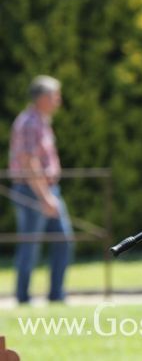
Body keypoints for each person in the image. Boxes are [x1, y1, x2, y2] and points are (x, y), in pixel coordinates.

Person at [9, 75, 73, 304]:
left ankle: (57, 295)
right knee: (30, 245)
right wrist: (45, 197)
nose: (58, 100)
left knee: (63, 240)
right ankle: (23, 298)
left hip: (48, 190)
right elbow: (29, 163)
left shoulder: (42, 121)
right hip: (32, 191)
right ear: (43, 98)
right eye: (55, 95)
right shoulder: (29, 123)